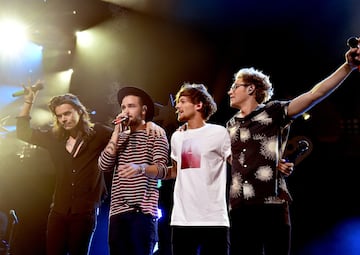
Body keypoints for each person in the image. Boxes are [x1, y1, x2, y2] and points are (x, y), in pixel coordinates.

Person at [226, 43, 360, 255]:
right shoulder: (231, 125)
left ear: (250, 88)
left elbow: (315, 94)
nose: (230, 91)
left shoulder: (274, 111)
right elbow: (230, 158)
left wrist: (347, 67)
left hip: (271, 204)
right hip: (239, 207)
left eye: (235, 86)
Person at [16, 90, 113, 255]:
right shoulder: (54, 138)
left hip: (85, 211)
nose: (63, 119)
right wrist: (28, 102)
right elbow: (23, 132)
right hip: (59, 210)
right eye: (59, 116)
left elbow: (124, 139)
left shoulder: (98, 133)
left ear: (80, 111)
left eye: (67, 113)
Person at [98, 86, 169, 255]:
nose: (125, 111)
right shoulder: (120, 137)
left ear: (143, 110)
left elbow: (162, 170)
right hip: (116, 213)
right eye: (123, 107)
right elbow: (103, 164)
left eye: (131, 106)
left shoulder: (155, 133)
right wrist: (116, 133)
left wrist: (140, 168)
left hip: (142, 214)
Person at [166, 83, 232, 255]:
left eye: (182, 101)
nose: (177, 106)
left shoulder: (219, 133)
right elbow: (176, 171)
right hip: (182, 220)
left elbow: (238, 165)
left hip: (214, 220)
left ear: (199, 105)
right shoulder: (177, 137)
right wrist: (144, 170)